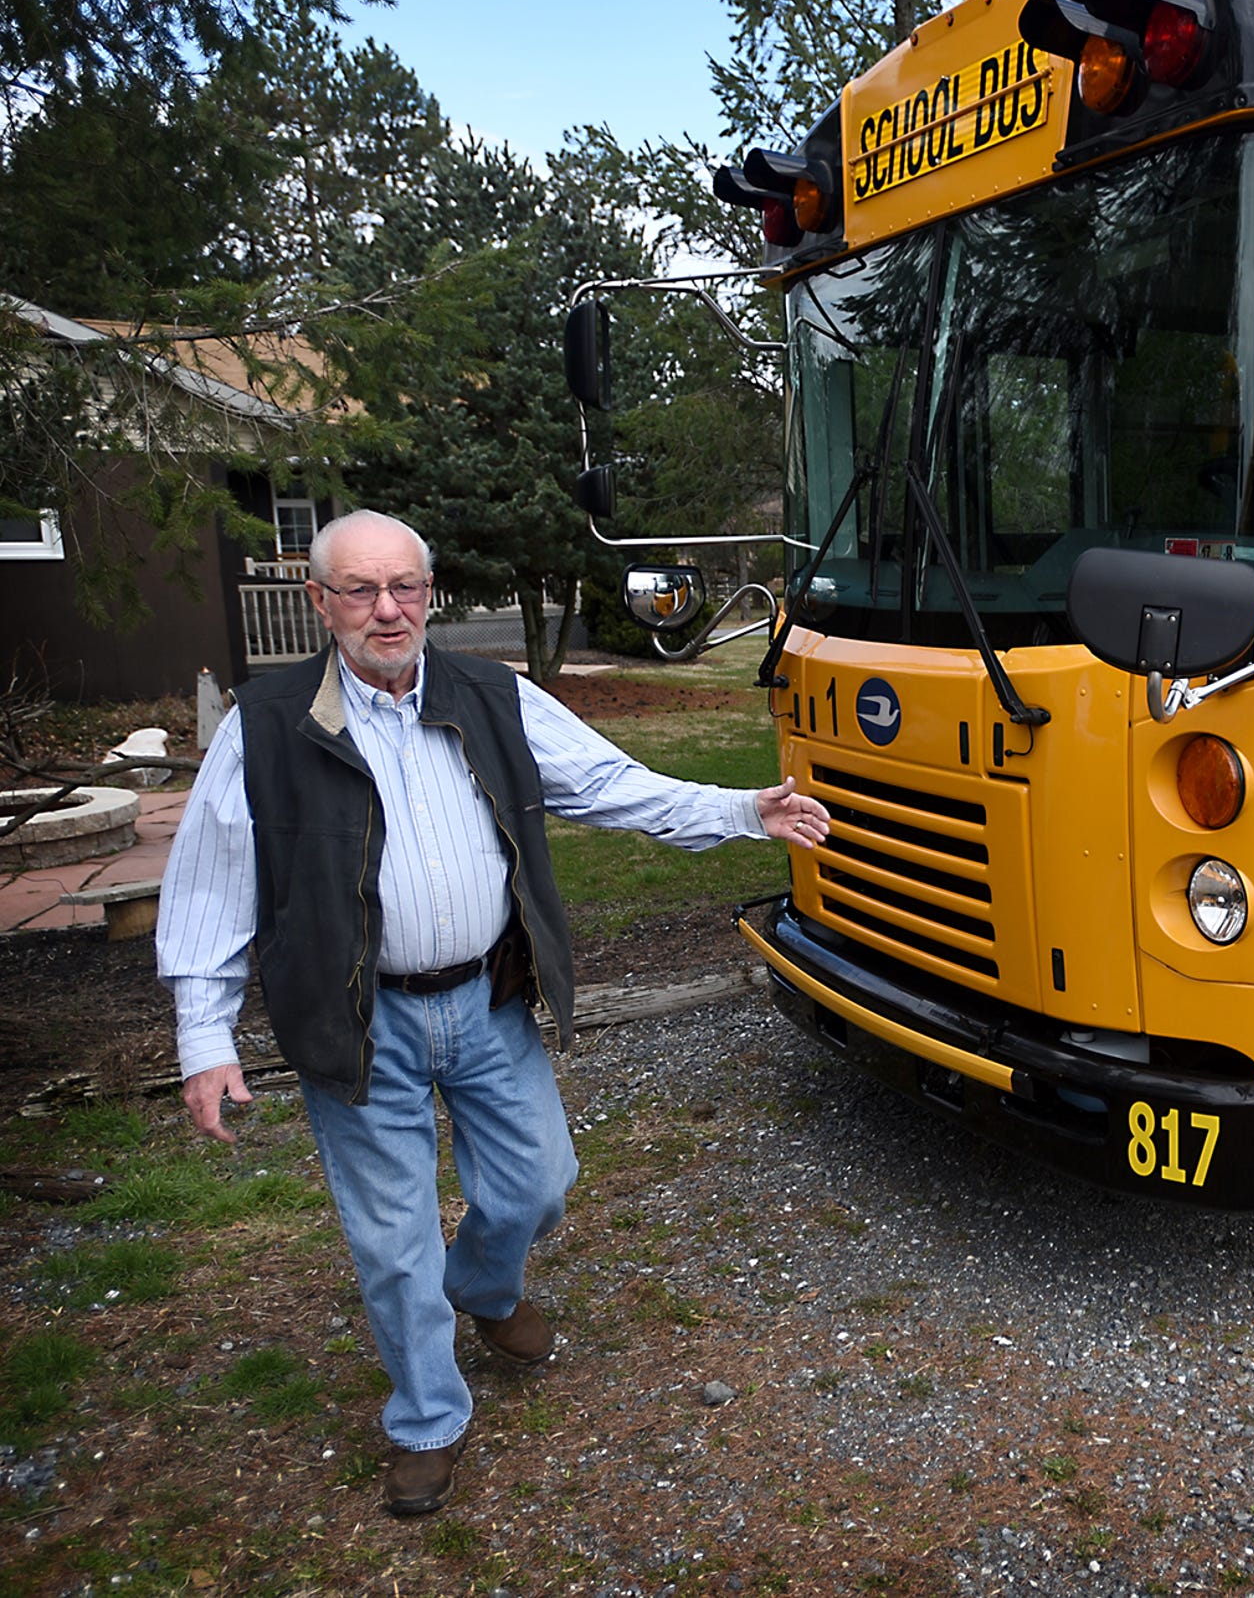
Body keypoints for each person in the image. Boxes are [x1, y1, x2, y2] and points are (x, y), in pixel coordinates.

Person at [157, 510, 830, 1517]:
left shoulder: (493, 694)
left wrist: (740, 811)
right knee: (392, 1242)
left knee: (540, 1186)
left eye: (405, 588)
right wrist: (204, 1039)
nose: (387, 610)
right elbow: (209, 890)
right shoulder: (267, 724)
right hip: (359, 1022)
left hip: (486, 998)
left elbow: (608, 786)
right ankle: (427, 1418)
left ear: (430, 594)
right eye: (360, 591)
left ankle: (482, 1284)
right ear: (321, 603)